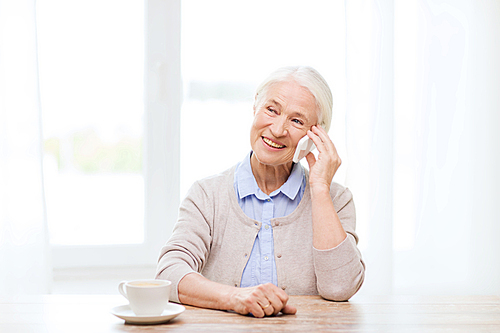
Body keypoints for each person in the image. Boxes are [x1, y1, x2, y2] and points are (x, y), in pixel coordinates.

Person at [156, 66, 365, 318]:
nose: (277, 130)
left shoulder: (337, 200)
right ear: (255, 107)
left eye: (296, 120)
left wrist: (320, 189)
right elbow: (169, 273)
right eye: (271, 110)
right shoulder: (207, 194)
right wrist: (234, 298)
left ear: (315, 134)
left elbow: (340, 288)